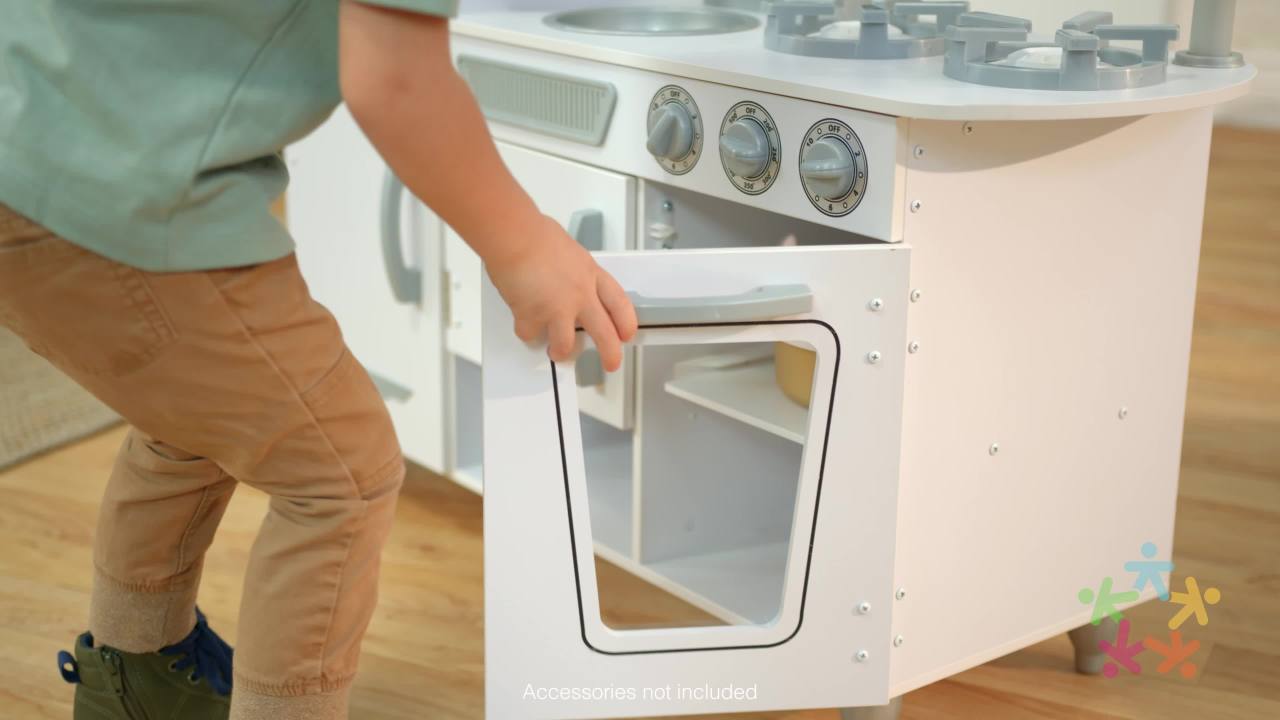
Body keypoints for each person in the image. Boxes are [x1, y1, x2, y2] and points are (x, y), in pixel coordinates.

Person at [0, 1, 638, 718]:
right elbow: (394, 78)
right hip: (130, 195)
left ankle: (135, 680)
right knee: (342, 474)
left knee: (199, 415)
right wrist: (526, 248)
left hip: (29, 144)